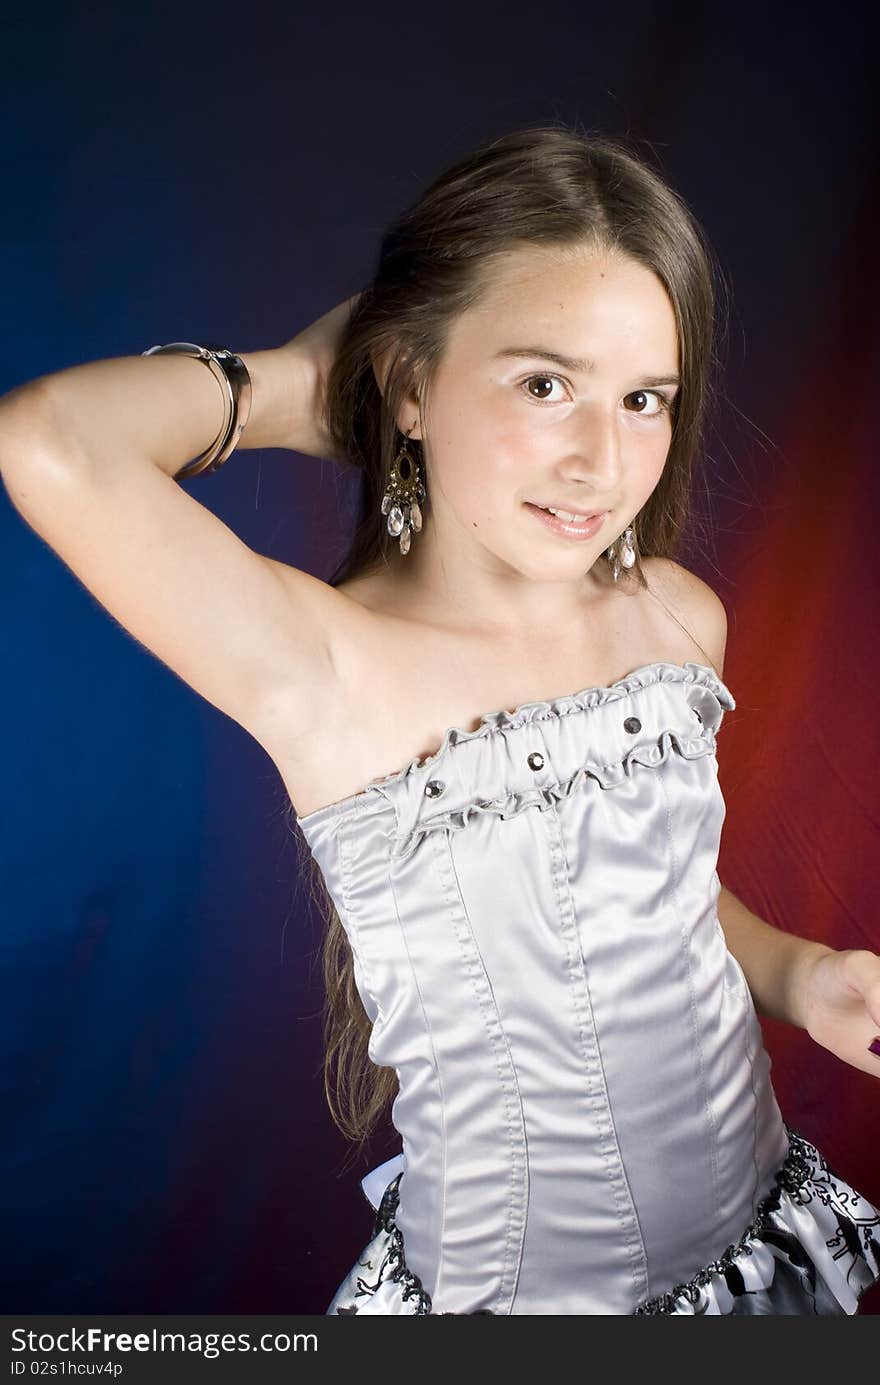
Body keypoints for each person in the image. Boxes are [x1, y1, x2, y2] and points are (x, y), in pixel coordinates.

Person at [2, 124, 879, 1316]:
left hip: (757, 1256)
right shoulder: (327, 664)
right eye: (542, 383)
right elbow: (51, 438)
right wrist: (294, 386)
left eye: (643, 399)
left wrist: (800, 973)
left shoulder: (674, 622)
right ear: (411, 384)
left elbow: (662, 895)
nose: (599, 459)